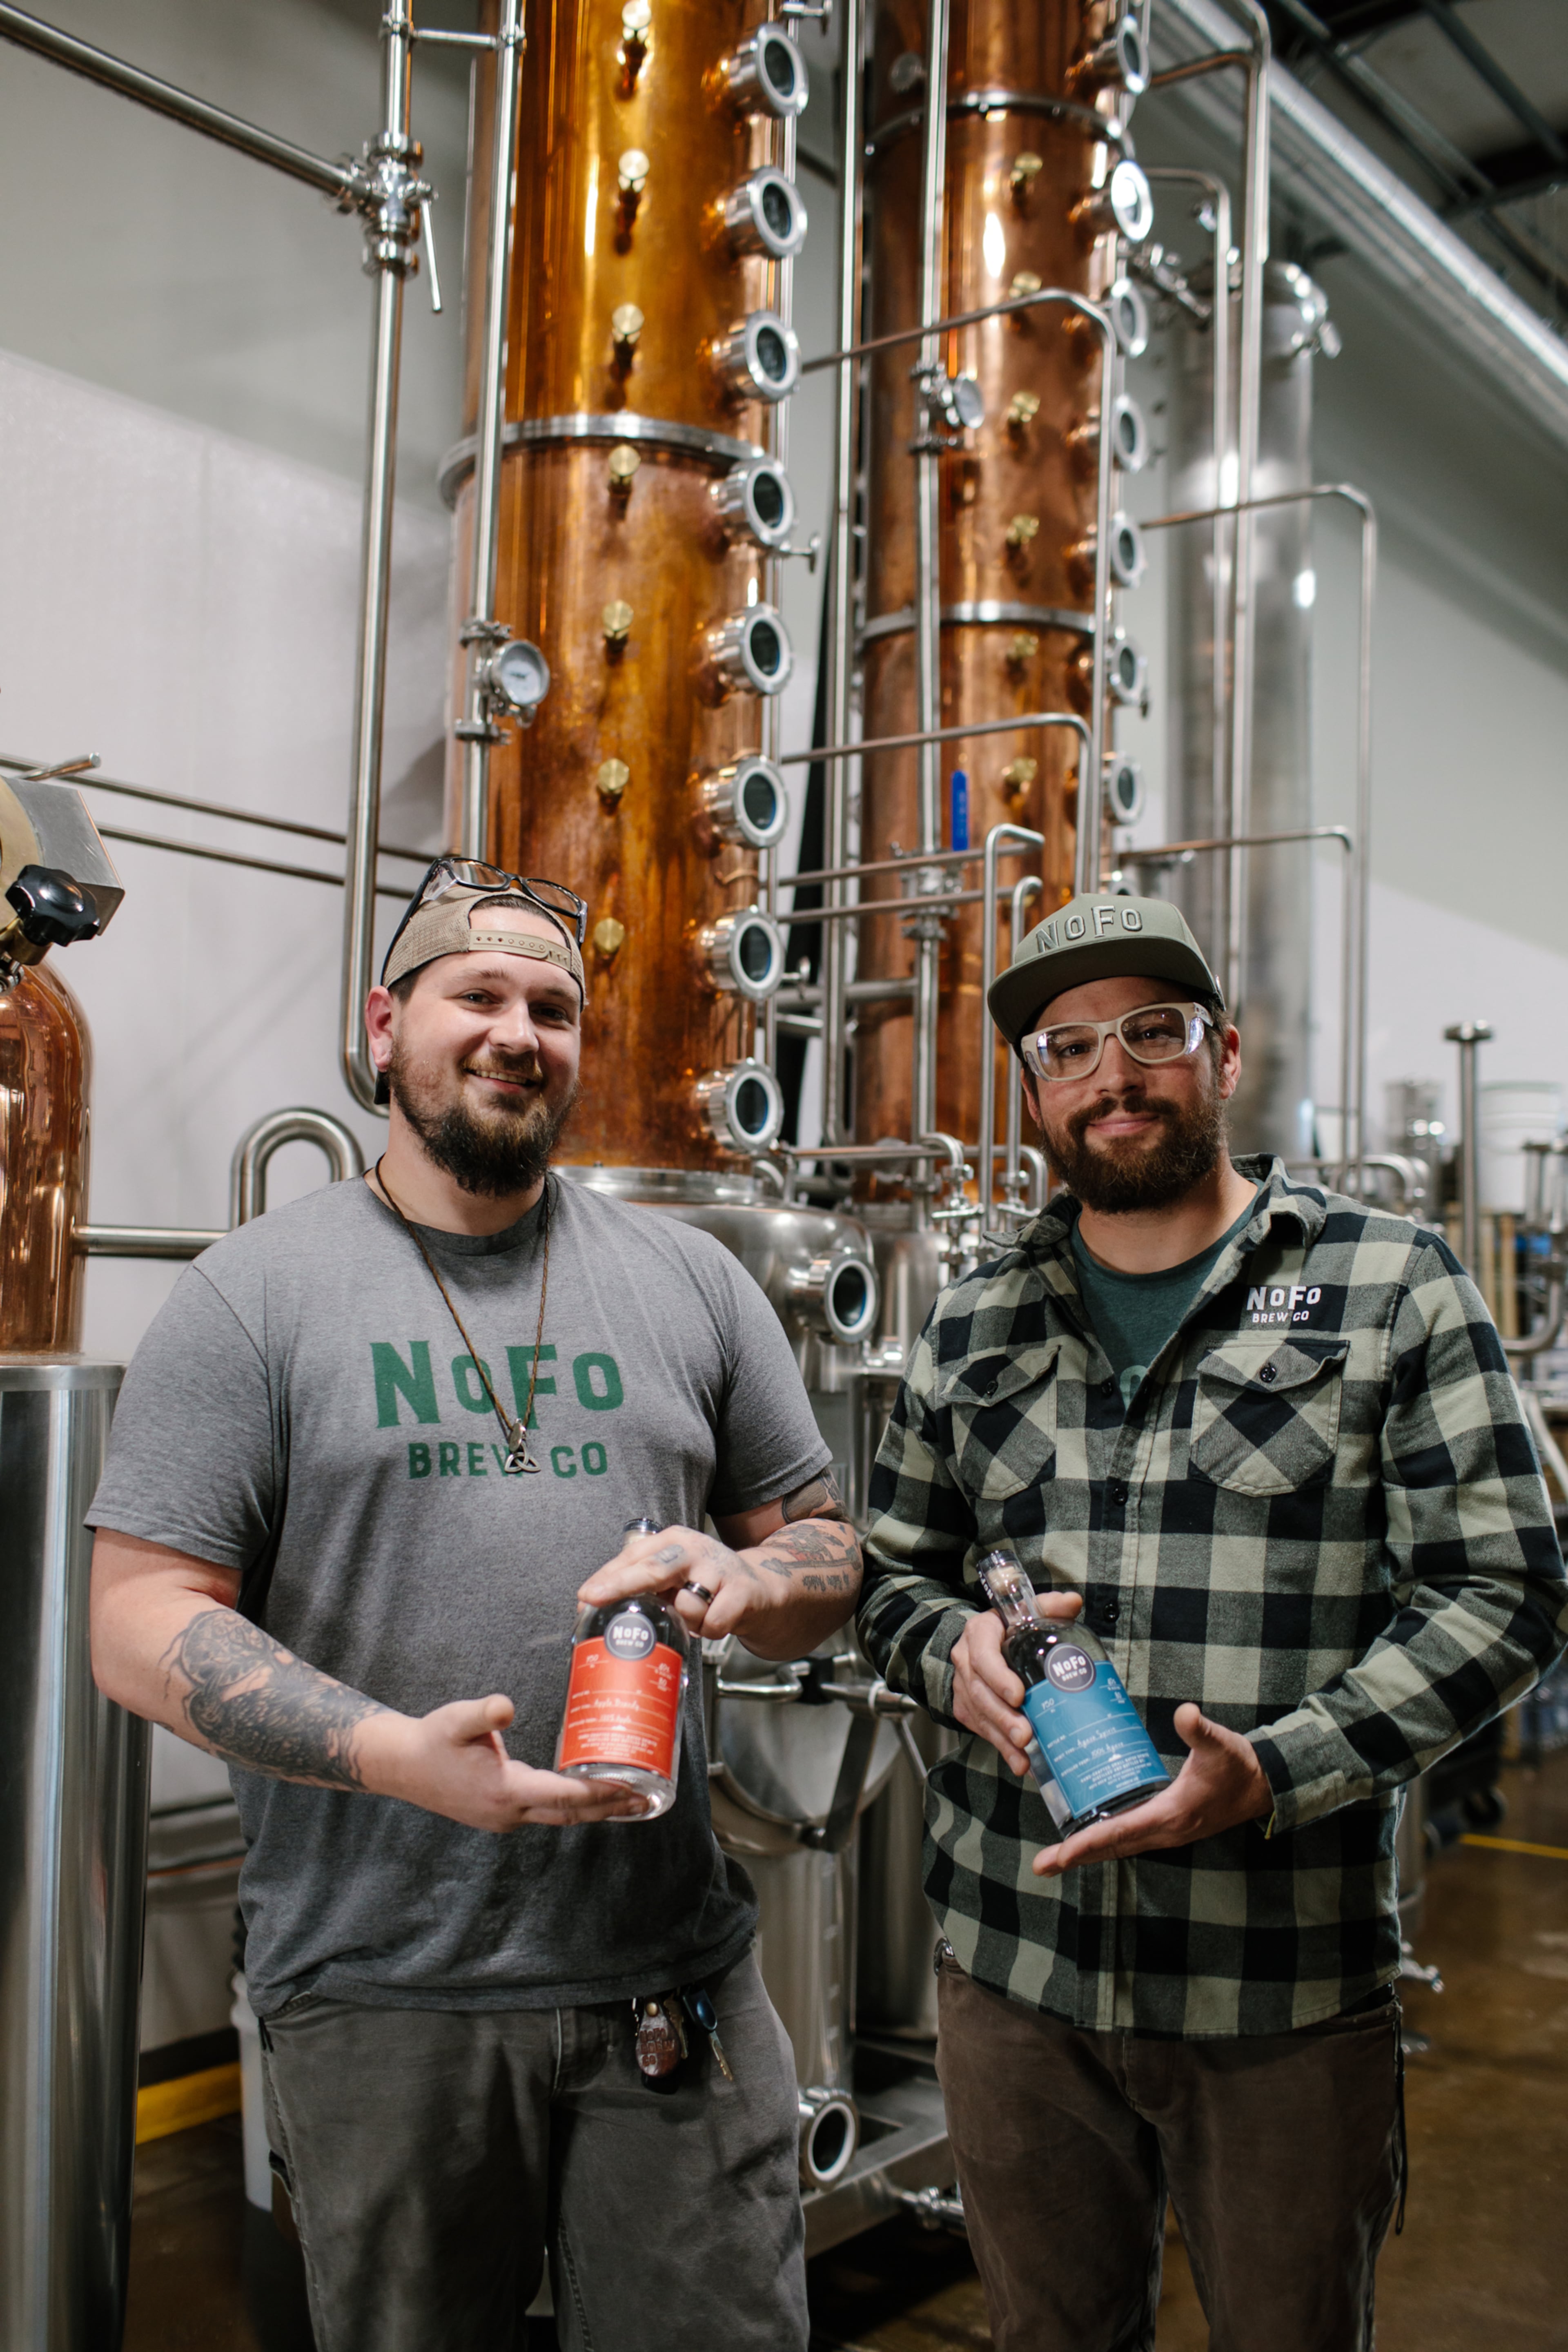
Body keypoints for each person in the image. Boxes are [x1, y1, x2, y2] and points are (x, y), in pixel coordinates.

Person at [90, 858, 861, 2352]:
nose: (522, 1032)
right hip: (385, 1992)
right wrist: (388, 1753)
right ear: (385, 1027)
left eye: (556, 1008)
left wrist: (757, 1577)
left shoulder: (694, 1284)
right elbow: (137, 1616)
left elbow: (826, 1549)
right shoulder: (253, 1294)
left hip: (672, 1981)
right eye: (480, 997)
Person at [857, 891, 1567, 2352]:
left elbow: (1507, 1590)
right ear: (1038, 1090)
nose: (1112, 1075)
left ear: (1224, 1054)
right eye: (1067, 1049)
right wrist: (953, 1660)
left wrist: (1284, 1766)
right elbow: (889, 1579)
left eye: (1151, 1032)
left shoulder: (1386, 1283)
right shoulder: (978, 1314)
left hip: (1281, 1987)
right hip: (1014, 1973)